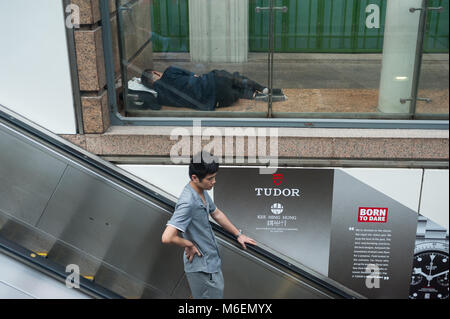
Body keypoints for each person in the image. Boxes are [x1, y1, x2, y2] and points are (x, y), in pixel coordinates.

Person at [161, 151, 257, 299]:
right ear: (194, 177)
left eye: (214, 177)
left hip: (209, 264)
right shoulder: (188, 202)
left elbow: (216, 213)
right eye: (210, 179)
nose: (214, 182)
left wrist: (238, 235)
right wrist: (189, 244)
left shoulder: (201, 191)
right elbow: (167, 237)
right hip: (203, 267)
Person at [141, 66, 269, 111]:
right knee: (230, 77)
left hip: (218, 102)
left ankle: (252, 95)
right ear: (156, 73)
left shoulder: (162, 98)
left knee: (232, 90)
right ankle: (260, 88)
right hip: (215, 83)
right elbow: (194, 75)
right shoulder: (169, 71)